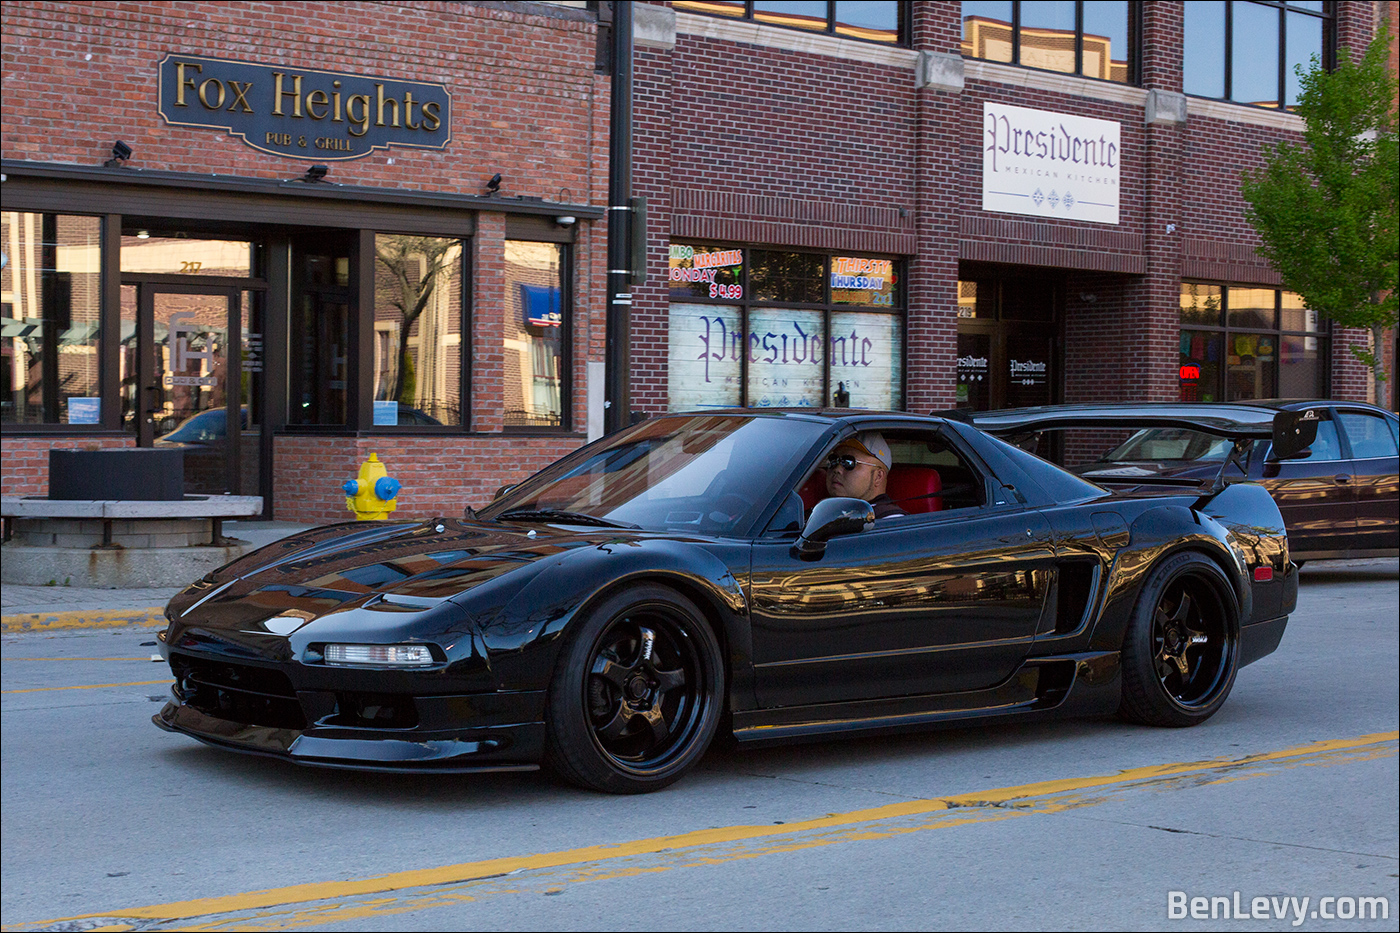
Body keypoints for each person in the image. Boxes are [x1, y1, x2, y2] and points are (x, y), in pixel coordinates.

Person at [823, 430, 905, 519]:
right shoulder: (826, 510)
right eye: (833, 460)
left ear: (878, 476)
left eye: (849, 462)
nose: (837, 469)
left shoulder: (890, 520)